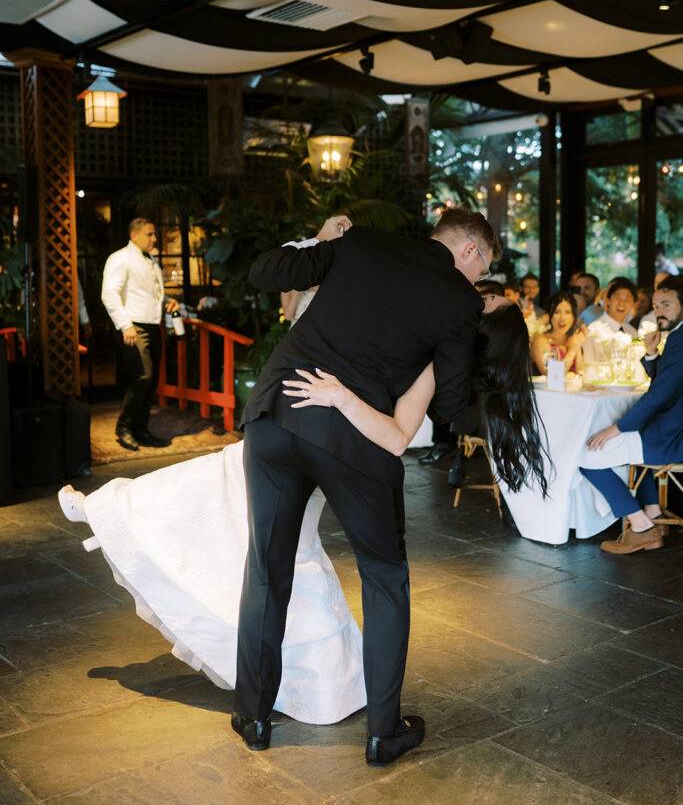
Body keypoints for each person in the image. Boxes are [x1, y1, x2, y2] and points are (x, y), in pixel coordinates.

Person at [56, 295, 547, 726]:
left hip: (344, 454)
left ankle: (294, 700)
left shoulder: (436, 359)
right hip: (310, 437)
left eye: (486, 301)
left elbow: (398, 436)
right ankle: (318, 688)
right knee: (257, 521)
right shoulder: (426, 329)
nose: (476, 294)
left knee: (271, 541)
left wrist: (339, 397)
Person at [234, 207, 500, 766]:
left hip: (276, 414)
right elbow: (452, 406)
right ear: (472, 251)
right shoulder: (458, 299)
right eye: (482, 270)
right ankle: (383, 733)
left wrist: (322, 238)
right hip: (350, 440)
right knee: (383, 576)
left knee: (267, 566)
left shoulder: (362, 243)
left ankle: (254, 716)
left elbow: (264, 272)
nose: (477, 282)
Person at [579, 276, 683, 554]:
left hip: (669, 436)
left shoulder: (680, 340)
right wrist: (650, 355)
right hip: (671, 430)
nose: (659, 310)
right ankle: (652, 511)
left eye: (667, 304)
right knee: (624, 451)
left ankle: (641, 527)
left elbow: (660, 396)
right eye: (657, 305)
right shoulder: (677, 338)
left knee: (587, 455)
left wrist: (615, 429)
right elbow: (669, 385)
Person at [101, 218, 180, 452]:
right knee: (143, 376)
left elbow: (152, 294)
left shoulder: (152, 261)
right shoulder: (120, 258)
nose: (154, 239)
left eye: (154, 234)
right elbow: (109, 294)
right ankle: (124, 426)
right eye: (150, 234)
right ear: (134, 235)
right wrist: (125, 325)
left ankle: (140, 429)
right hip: (133, 326)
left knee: (152, 379)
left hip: (153, 325)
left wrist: (168, 302)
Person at [530, 291, 586, 376]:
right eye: (557, 312)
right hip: (545, 389)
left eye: (567, 312)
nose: (562, 318)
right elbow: (552, 375)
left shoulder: (572, 340)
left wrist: (577, 346)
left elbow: (580, 374)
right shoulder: (541, 341)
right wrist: (573, 350)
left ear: (573, 316)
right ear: (549, 315)